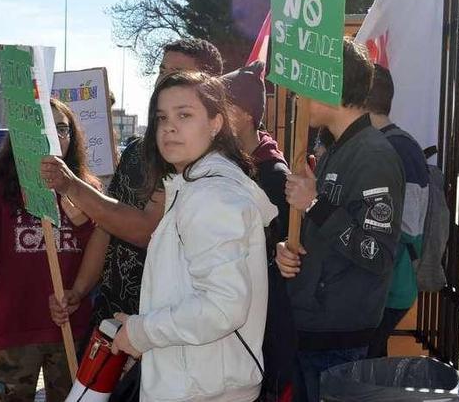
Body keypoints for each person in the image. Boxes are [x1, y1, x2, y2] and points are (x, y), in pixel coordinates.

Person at [108, 71, 276, 401]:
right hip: (204, 381)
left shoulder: (209, 196)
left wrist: (142, 332)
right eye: (162, 118)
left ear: (216, 123)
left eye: (184, 115)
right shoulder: (197, 187)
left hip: (201, 389)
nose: (169, 127)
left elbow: (222, 306)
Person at [40, 37, 224, 333]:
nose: (162, 80)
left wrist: (72, 186)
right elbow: (105, 226)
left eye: (175, 73)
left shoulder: (206, 162)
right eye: (161, 70)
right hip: (113, 312)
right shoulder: (137, 151)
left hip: (163, 320)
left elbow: (145, 231)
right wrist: (79, 289)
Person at [0, 99, 108, 402]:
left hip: (71, 326)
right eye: (45, 129)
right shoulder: (0, 191)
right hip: (15, 326)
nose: (56, 137)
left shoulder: (87, 189)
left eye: (63, 129)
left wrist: (79, 293)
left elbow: (100, 251)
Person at [276, 38, 406, 402]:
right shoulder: (339, 148)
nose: (298, 97)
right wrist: (288, 250)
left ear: (328, 85)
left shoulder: (373, 155)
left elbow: (377, 254)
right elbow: (326, 238)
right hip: (315, 330)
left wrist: (314, 204)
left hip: (338, 340)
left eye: (304, 86)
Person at [221, 62, 296, 399]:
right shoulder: (233, 164)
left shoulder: (272, 175)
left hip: (262, 319)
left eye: (223, 108)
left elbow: (278, 250)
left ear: (247, 115)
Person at [364, 65, 430, 358]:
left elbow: (410, 225)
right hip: (385, 284)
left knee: (368, 363)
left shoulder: (400, 149)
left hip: (392, 286)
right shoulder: (388, 144)